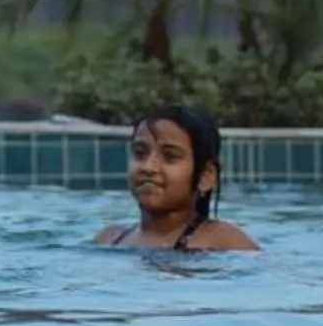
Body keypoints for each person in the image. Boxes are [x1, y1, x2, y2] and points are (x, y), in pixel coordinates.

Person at [95, 103, 260, 251]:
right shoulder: (110, 238)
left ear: (206, 176)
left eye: (170, 156)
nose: (148, 167)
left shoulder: (225, 241)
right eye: (140, 153)